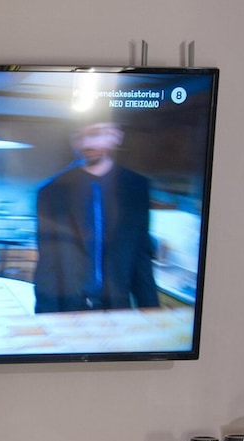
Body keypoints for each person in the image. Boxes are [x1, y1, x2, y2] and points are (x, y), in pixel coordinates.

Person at [33, 120, 161, 314]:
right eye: (79, 136)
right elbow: (47, 265)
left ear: (116, 136)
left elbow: (140, 257)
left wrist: (153, 313)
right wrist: (45, 318)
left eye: (95, 133)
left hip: (118, 309)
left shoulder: (136, 187)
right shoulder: (51, 191)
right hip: (68, 310)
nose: (86, 143)